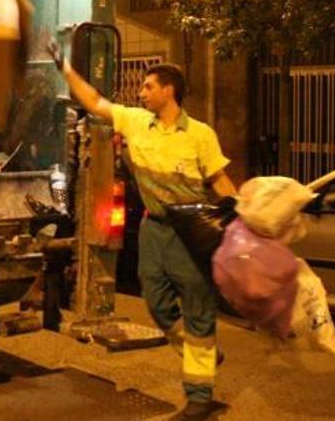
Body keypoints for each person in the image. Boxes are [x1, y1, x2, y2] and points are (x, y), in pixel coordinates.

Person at [48, 41, 237, 419]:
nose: (141, 92)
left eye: (148, 86)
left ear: (169, 91)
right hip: (154, 228)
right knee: (158, 304)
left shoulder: (200, 134)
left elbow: (220, 181)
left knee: (198, 309)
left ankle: (199, 396)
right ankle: (200, 352)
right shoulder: (135, 121)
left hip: (191, 231)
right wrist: (64, 67)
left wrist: (238, 222)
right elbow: (94, 102)